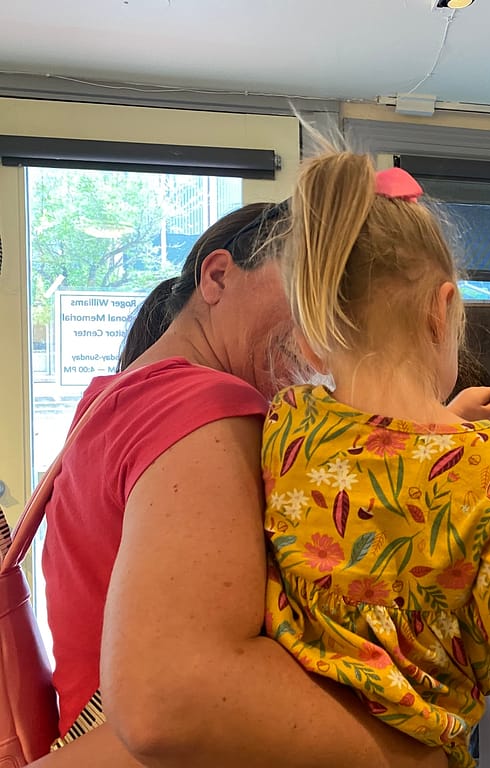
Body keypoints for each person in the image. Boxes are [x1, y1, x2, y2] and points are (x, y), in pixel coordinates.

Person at [34, 202, 454, 767]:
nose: (324, 325)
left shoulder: (116, 394)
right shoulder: (207, 405)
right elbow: (173, 700)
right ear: (218, 276)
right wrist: (420, 748)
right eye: (308, 287)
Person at [261, 150, 490, 768]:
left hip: (291, 727)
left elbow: (377, 465)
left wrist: (453, 423)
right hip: (421, 744)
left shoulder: (288, 418)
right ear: (440, 307)